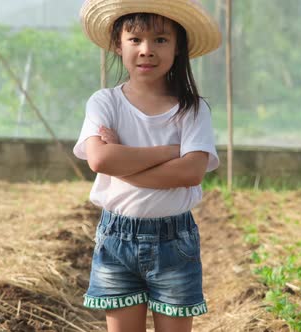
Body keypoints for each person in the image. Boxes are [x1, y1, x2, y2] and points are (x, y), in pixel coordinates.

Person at [73, 1, 221, 331]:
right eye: (135, 39)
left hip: (175, 241)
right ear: (117, 43)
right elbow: (99, 160)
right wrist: (172, 151)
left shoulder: (192, 109)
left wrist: (122, 158)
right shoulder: (105, 103)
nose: (147, 50)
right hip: (116, 239)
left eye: (161, 40)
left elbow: (191, 172)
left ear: (179, 46)